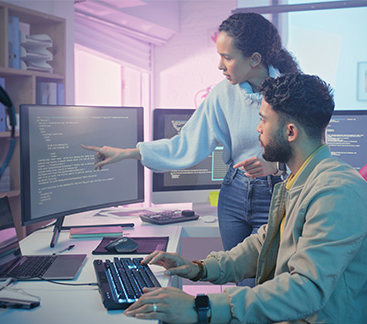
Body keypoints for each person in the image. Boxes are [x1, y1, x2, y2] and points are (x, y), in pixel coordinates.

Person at [123, 73, 367, 323]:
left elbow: (305, 290)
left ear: (291, 132)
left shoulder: (336, 194)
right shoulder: (301, 179)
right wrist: (199, 268)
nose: (257, 129)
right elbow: (264, 244)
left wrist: (200, 306)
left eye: (263, 120)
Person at [81, 13, 301, 257]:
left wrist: (278, 164)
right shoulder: (222, 94)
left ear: (254, 59)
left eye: (227, 57)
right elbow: (185, 144)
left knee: (263, 281)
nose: (219, 66)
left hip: (277, 194)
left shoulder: (294, 92)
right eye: (219, 56)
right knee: (239, 277)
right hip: (233, 193)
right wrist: (127, 153)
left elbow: (313, 150)